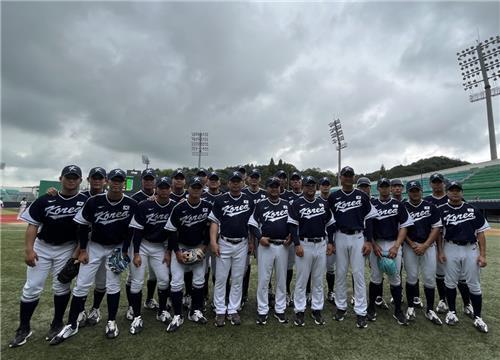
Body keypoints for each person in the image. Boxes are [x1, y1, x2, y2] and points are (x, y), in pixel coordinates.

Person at [50, 169, 137, 344]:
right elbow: (82, 226)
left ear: (123, 183)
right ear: (107, 181)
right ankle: (72, 324)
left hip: (117, 247)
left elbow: (131, 230)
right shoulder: (94, 201)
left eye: (120, 181)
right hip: (95, 246)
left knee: (112, 284)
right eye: (113, 180)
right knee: (81, 284)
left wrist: (125, 250)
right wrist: (82, 250)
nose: (116, 183)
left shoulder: (131, 203)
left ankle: (111, 321)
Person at [8, 165, 87, 348]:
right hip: (42, 246)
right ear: (60, 178)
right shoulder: (46, 199)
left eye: (75, 177)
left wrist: (77, 254)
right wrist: (29, 249)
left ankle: (57, 322)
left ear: (80, 180)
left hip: (67, 248)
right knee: (32, 288)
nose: (71, 180)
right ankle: (24, 328)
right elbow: (33, 225)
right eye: (68, 176)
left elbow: (85, 231)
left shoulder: (84, 201)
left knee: (61, 285)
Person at [328, 166, 377, 329]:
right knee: (340, 273)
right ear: (340, 177)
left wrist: (369, 240)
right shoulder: (333, 197)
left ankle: (361, 311)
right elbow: (329, 222)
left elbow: (369, 219)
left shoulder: (362, 196)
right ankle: (341, 307)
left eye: (350, 175)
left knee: (358, 274)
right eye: (345, 175)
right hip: (340, 236)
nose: (348, 178)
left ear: (354, 177)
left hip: (358, 236)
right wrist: (330, 241)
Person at [438, 181, 490, 333]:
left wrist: (483, 255)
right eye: (452, 190)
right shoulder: (441, 210)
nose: (455, 193)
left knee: (474, 283)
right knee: (450, 282)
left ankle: (478, 316)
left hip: (470, 248)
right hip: (450, 247)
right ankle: (452, 312)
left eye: (457, 190)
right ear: (447, 192)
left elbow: (480, 233)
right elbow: (439, 234)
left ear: (462, 192)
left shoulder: (472, 210)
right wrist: (440, 251)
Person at [127, 176, 176, 334]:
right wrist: (135, 253)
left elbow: (173, 233)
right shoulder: (145, 204)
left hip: (159, 247)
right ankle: (137, 316)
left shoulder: (174, 207)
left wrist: (168, 252)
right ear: (156, 189)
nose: (163, 190)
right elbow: (137, 230)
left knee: (164, 279)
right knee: (137, 281)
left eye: (166, 187)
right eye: (160, 187)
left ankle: (162, 311)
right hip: (142, 245)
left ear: (170, 189)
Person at [164, 177, 212, 332]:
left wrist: (203, 247)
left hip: (198, 248)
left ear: (202, 189)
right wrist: (176, 252)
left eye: (199, 187)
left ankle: (195, 311)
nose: (196, 190)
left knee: (199, 281)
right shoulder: (179, 207)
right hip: (181, 247)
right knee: (176, 282)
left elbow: (210, 230)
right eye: (194, 187)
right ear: (188, 189)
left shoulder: (207, 206)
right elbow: (171, 231)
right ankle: (178, 315)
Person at [288, 176, 335, 326]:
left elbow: (331, 224)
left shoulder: (323, 203)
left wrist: (331, 242)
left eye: (312, 185)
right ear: (303, 187)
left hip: (321, 243)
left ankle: (317, 309)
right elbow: (293, 226)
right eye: (307, 185)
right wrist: (296, 244)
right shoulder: (297, 203)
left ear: (316, 187)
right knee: (302, 279)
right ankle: (299, 310)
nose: (310, 188)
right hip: (304, 243)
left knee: (318, 280)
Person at [209, 171, 255, 327]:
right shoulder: (220, 200)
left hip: (242, 244)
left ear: (243, 183)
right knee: (221, 278)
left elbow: (251, 224)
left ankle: (233, 309)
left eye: (238, 181)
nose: (236, 184)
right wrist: (213, 242)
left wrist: (251, 241)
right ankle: (220, 310)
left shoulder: (249, 201)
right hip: (224, 242)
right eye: (233, 181)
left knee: (237, 278)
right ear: (228, 183)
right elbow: (214, 222)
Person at [424, 173, 473, 317]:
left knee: (460, 275)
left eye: (440, 182)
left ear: (444, 184)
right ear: (431, 184)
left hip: (452, 241)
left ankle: (467, 303)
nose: (437, 184)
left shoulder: (453, 197)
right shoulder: (427, 200)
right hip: (436, 241)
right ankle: (443, 300)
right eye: (435, 182)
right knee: (439, 273)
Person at [367, 178, 414, 326]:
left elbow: (404, 226)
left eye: (387, 186)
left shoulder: (398, 205)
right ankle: (371, 307)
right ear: (378, 189)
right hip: (378, 244)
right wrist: (374, 245)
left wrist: (397, 246)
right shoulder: (372, 204)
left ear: (390, 189)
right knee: (375, 278)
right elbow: (368, 228)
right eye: (382, 186)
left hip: (394, 243)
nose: (385, 189)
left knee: (395, 278)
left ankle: (398, 310)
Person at [249, 177, 291, 324]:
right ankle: (262, 310)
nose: (274, 189)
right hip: (266, 245)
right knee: (263, 279)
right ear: (267, 188)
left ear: (280, 188)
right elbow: (252, 224)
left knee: (281, 279)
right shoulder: (260, 205)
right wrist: (259, 238)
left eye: (276, 186)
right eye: (271, 186)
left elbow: (293, 223)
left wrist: (291, 236)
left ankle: (280, 309)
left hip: (282, 246)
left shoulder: (286, 204)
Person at [403, 180, 443, 325]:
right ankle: (411, 307)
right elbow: (401, 228)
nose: (415, 193)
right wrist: (412, 244)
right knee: (412, 277)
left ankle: (430, 310)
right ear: (408, 192)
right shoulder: (404, 206)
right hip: (410, 246)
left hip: (428, 247)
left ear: (421, 191)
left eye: (417, 190)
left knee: (429, 278)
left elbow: (436, 228)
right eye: (412, 190)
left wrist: (425, 245)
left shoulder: (430, 206)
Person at [128, 168, 159, 318]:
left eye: (151, 179)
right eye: (146, 179)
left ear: (155, 181)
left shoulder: (161, 196)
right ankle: (131, 307)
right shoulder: (135, 197)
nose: (148, 181)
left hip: (156, 243)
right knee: (132, 277)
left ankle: (149, 299)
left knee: (153, 275)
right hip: (138, 241)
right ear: (142, 181)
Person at [241, 168, 267, 308]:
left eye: (257, 177)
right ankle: (243, 294)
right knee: (245, 266)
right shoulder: (243, 193)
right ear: (248, 178)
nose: (254, 179)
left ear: (260, 179)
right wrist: (250, 239)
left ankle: (267, 292)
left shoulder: (264, 193)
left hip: (262, 233)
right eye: (252, 176)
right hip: (245, 233)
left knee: (265, 265)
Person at [318, 177, 335, 304]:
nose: (325, 186)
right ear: (320, 187)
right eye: (323, 184)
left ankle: (330, 291)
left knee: (330, 267)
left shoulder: (334, 199)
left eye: (327, 184)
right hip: (319, 236)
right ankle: (309, 292)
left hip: (332, 236)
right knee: (314, 268)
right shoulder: (316, 200)